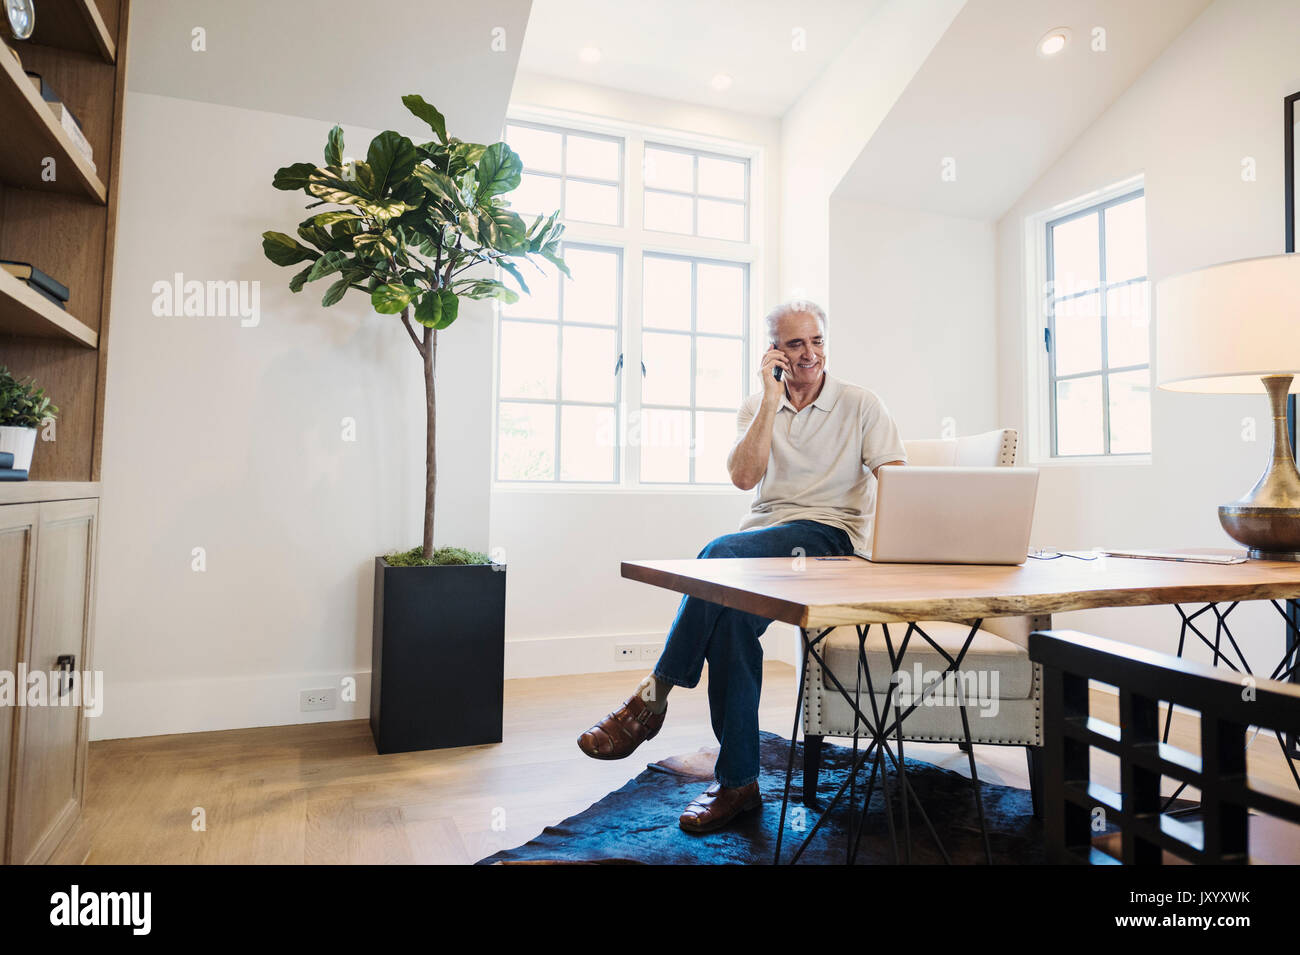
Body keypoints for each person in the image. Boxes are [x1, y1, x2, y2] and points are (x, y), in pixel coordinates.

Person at [577, 300, 907, 833]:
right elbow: (742, 477)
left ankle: (651, 699)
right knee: (729, 624)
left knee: (718, 552)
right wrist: (771, 401)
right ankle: (739, 785)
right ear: (774, 350)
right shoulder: (759, 404)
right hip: (764, 544)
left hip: (830, 541)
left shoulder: (861, 403)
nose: (810, 355)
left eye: (817, 341)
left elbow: (899, 483)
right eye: (795, 344)